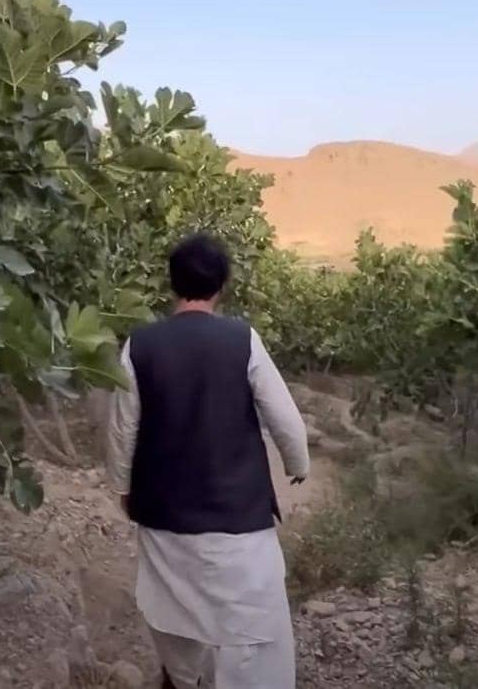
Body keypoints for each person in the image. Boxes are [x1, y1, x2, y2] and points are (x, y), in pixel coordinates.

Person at [105, 233, 310, 689]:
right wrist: (298, 465)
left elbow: (123, 428)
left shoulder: (139, 346)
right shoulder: (243, 340)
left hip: (165, 519)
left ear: (172, 284)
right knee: (252, 634)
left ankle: (182, 679)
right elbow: (286, 420)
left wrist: (122, 488)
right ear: (222, 284)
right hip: (240, 521)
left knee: (173, 617)